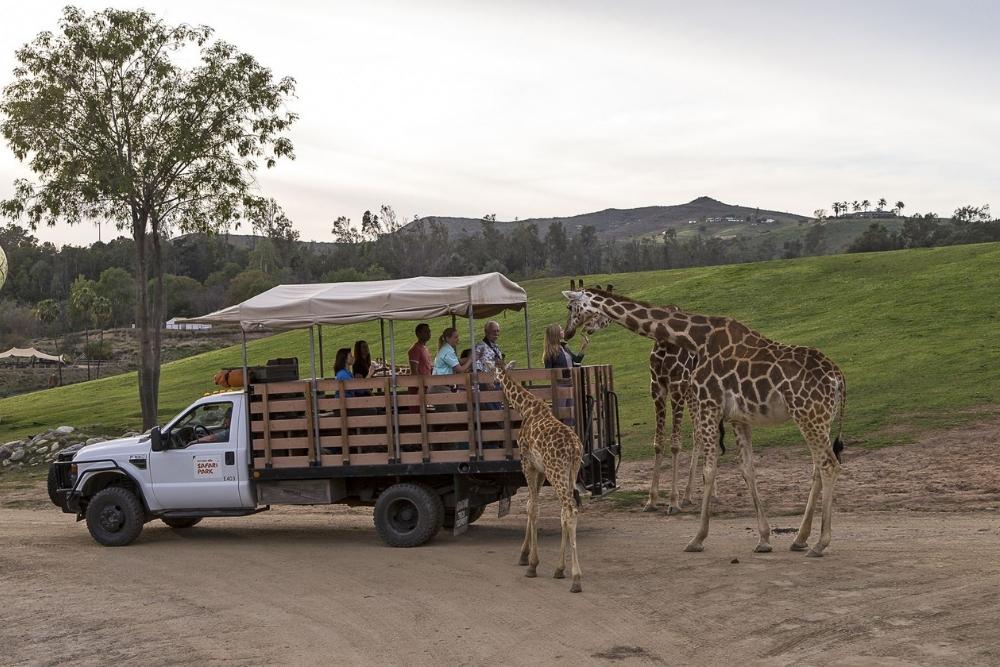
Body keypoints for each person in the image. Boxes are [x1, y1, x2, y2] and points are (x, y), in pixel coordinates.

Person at [431, 327, 474, 412]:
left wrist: (471, 358)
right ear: (447, 338)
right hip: (440, 388)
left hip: (441, 387)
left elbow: (458, 361)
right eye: (455, 337)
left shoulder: (446, 349)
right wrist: (471, 359)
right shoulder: (447, 351)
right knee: (454, 418)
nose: (458, 339)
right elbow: (460, 370)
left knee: (453, 417)